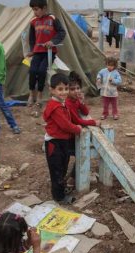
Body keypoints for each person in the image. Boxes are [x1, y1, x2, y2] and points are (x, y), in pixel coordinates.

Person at [43, 73, 82, 203]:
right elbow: (65, 125)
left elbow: (69, 119)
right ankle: (59, 197)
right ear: (52, 89)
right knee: (57, 170)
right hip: (54, 143)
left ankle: (60, 188)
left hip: (62, 141)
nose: (64, 92)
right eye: (60, 89)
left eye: (66, 89)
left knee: (63, 166)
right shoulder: (55, 107)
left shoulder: (62, 103)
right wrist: (77, 129)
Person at [26, 0, 66, 106]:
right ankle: (31, 94)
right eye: (33, 9)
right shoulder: (33, 21)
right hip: (37, 52)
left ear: (44, 8)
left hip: (49, 52)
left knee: (42, 71)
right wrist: (31, 51)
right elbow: (32, 39)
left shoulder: (52, 18)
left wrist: (52, 42)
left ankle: (39, 96)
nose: (34, 12)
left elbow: (62, 32)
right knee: (33, 71)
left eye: (36, 9)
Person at [64, 71, 99, 188]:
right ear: (67, 90)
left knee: (82, 153)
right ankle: (72, 179)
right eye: (72, 89)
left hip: (73, 134)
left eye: (78, 88)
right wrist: (93, 122)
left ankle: (71, 177)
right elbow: (77, 121)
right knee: (82, 153)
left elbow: (85, 112)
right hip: (67, 137)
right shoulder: (68, 103)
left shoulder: (75, 100)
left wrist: (81, 101)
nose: (76, 91)